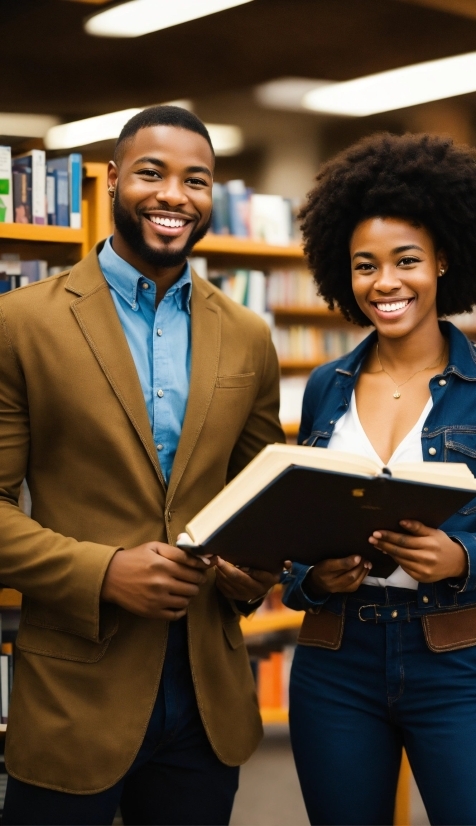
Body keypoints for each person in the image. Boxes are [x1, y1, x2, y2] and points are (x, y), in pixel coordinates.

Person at [0, 105, 284, 825]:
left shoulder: (249, 336)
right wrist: (104, 572)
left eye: (197, 180)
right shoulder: (22, 323)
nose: (174, 196)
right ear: (115, 178)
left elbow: (262, 501)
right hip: (75, 692)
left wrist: (258, 571)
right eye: (152, 173)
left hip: (206, 696)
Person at [282, 132, 476, 826]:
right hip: (336, 658)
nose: (385, 283)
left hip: (455, 660)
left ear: (444, 260)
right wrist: (312, 578)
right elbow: (299, 534)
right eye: (364, 266)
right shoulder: (325, 387)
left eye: (405, 260)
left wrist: (466, 556)